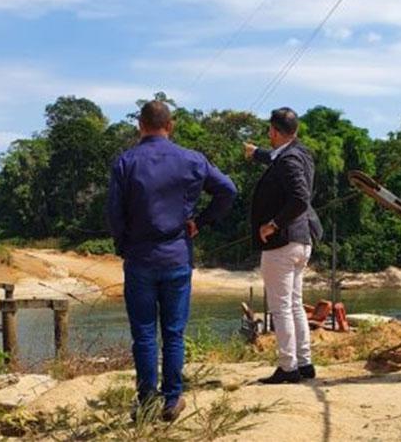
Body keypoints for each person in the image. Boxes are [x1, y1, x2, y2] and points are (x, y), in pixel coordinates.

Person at [107, 100, 237, 420]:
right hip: (177, 256)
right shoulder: (192, 159)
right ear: (171, 125)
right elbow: (228, 191)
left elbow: (114, 213)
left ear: (140, 125)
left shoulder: (125, 162)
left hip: (139, 258)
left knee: (144, 333)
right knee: (174, 332)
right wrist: (201, 221)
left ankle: (147, 400)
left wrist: (124, 246)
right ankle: (172, 398)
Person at [244, 107, 321, 384]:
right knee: (295, 304)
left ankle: (288, 367)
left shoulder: (288, 160)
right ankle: (304, 362)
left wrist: (273, 224)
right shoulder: (300, 153)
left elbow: (299, 197)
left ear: (274, 132)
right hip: (301, 240)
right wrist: (256, 153)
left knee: (281, 308)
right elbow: (277, 158)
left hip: (283, 242)